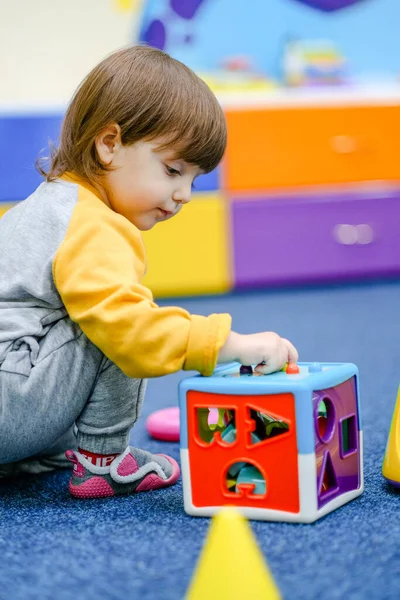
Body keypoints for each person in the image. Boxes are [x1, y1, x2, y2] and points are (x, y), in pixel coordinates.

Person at [0, 45, 298, 498]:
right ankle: (104, 462)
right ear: (109, 144)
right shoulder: (93, 224)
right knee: (116, 320)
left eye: (193, 180)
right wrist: (229, 345)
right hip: (10, 405)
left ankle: (31, 451)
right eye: (173, 170)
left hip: (13, 398)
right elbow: (129, 331)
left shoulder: (47, 205)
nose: (184, 195)